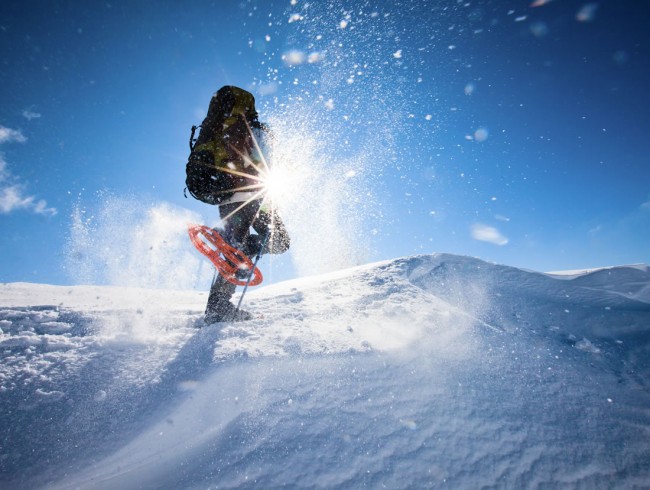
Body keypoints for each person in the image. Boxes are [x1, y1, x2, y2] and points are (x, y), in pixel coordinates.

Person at [189, 85, 290, 323]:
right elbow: (269, 164)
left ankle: (219, 302)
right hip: (255, 198)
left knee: (246, 248)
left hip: (232, 199)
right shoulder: (256, 130)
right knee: (277, 241)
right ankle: (218, 309)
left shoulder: (218, 129)